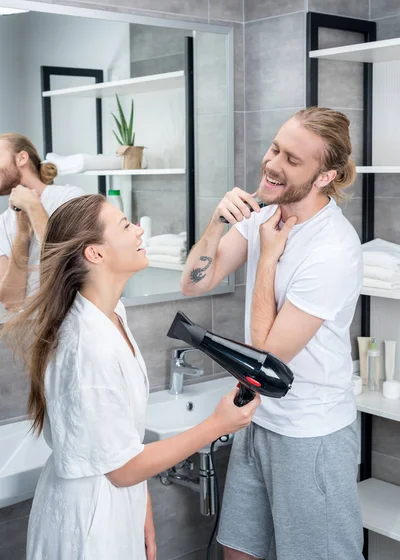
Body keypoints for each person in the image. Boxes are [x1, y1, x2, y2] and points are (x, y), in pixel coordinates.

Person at [1, 194, 260, 560]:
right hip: (90, 522)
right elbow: (121, 469)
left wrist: (142, 510)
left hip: (113, 502)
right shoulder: (88, 346)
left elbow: (120, 448)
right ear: (96, 253)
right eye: (125, 225)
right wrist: (216, 424)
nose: (139, 229)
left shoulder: (110, 313)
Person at [180, 107, 364, 560]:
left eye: (292, 160)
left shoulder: (332, 250)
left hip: (311, 434)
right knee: (238, 551)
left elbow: (265, 361)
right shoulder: (263, 214)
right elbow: (193, 283)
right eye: (275, 148)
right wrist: (217, 223)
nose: (273, 163)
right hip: (258, 422)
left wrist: (266, 259)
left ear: (326, 176)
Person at [0, 133, 84, 310]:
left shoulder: (69, 198)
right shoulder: (2, 223)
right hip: (31, 332)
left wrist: (33, 207)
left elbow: (70, 260)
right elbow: (11, 301)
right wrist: (22, 235)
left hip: (74, 324)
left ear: (22, 158)